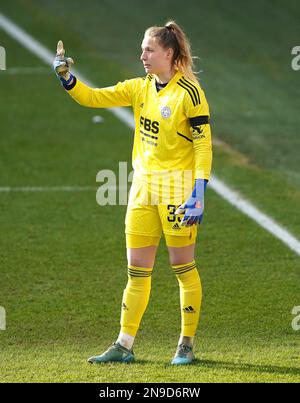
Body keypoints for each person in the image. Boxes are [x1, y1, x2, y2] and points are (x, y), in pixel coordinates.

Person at [53, 20, 212, 365]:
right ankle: (124, 344)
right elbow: (94, 97)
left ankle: (186, 344)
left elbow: (203, 147)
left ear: (168, 54)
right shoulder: (140, 88)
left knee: (182, 267)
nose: (142, 55)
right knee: (136, 271)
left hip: (177, 191)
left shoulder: (190, 94)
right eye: (142, 49)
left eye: (149, 49)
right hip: (142, 190)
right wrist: (67, 78)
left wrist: (198, 191)